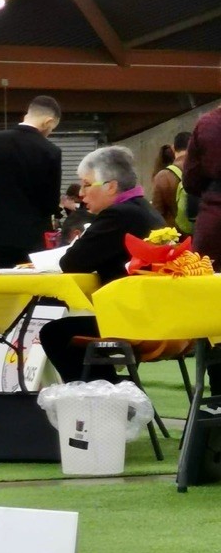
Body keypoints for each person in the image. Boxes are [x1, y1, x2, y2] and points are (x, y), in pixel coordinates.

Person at [39, 145, 164, 383]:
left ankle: (105, 395)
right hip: (157, 316)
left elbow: (72, 262)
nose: (81, 193)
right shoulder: (146, 210)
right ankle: (112, 391)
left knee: (55, 333)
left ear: (111, 186)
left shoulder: (118, 216)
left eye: (87, 184)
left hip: (135, 322)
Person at [0, 96, 62, 267]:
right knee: (30, 282)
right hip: (33, 235)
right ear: (48, 121)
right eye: (52, 129)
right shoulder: (51, 151)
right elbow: (51, 201)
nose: (49, 133)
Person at [183, 103, 221, 396]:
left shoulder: (208, 123)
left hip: (215, 221)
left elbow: (191, 180)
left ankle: (218, 393)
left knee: (212, 307)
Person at [151, 131, 191, 229]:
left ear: (173, 148)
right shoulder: (206, 168)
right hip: (207, 232)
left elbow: (156, 215)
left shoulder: (163, 176)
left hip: (177, 235)